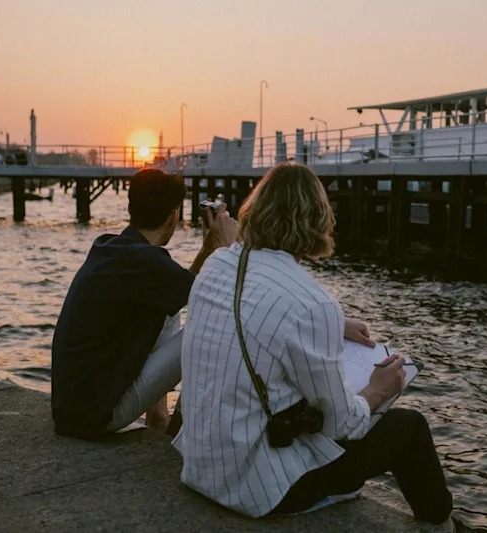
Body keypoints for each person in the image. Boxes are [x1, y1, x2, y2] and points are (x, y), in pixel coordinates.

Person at [174, 163, 455, 529]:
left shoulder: (217, 264)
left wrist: (336, 325)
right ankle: (443, 524)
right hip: (256, 488)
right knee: (410, 427)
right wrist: (376, 391)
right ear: (318, 220)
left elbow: (252, 309)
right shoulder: (313, 303)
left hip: (200, 465)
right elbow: (343, 423)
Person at [51, 168, 237, 439]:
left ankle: (159, 417)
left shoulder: (111, 247)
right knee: (211, 323)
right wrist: (226, 247)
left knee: (169, 307)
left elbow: (184, 286)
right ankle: (181, 432)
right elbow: (216, 296)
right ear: (174, 215)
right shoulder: (147, 262)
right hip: (96, 416)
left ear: (130, 207)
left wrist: (209, 249)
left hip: (73, 410)